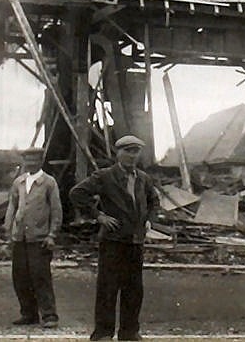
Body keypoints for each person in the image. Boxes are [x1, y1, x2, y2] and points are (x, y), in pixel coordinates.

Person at [70, 135, 159, 341]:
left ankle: (129, 332)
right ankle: (103, 333)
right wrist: (99, 216)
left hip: (135, 242)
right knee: (108, 289)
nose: (131, 155)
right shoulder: (105, 176)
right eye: (127, 151)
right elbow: (77, 193)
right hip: (113, 242)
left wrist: (149, 220)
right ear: (118, 153)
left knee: (134, 290)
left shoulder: (143, 178)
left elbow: (154, 200)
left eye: (135, 151)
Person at [3, 146, 62, 328]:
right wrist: (9, 231)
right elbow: (12, 207)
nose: (30, 163)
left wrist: (52, 235)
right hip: (20, 237)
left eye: (34, 160)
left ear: (41, 161)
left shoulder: (48, 182)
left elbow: (56, 210)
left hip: (39, 237)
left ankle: (49, 316)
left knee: (40, 276)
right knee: (20, 277)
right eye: (27, 160)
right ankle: (28, 314)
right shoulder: (19, 182)